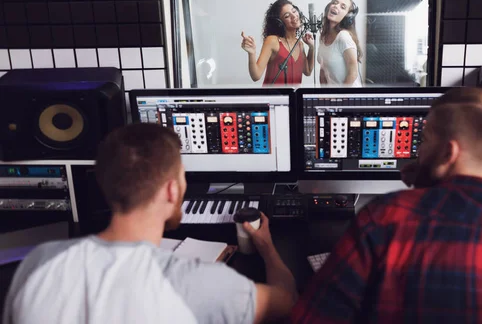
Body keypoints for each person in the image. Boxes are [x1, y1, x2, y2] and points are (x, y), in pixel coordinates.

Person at [291, 87, 482, 323]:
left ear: (448, 152)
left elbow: (312, 318)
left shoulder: (385, 221)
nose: (418, 151)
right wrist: (429, 181)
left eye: (423, 141)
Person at [3, 123, 297, 324]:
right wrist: (268, 248)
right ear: (172, 190)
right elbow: (286, 302)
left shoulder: (37, 264)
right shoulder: (204, 285)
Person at [242, 0, 314, 86]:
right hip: (273, 97)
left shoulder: (300, 44)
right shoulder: (272, 40)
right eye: (287, 16)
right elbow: (256, 76)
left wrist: (311, 47)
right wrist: (252, 53)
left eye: (294, 11)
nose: (294, 16)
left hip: (293, 98)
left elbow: (308, 71)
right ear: (279, 23)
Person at [318, 0, 363, 87]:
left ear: (347, 17)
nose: (336, 6)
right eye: (335, 3)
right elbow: (323, 71)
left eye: (343, 7)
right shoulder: (323, 38)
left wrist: (339, 96)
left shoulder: (343, 37)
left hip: (349, 96)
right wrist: (322, 94)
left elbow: (353, 73)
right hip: (333, 96)